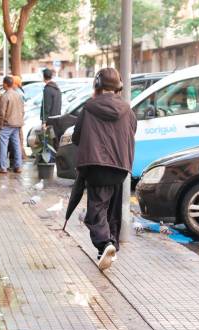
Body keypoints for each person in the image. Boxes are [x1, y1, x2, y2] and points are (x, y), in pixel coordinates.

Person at [71, 68, 136, 271]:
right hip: (120, 167)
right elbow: (133, 129)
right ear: (118, 87)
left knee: (96, 209)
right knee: (112, 208)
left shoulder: (90, 107)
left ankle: (104, 243)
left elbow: (76, 136)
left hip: (96, 165)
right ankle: (109, 247)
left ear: (97, 85)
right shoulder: (127, 108)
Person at [0, 74, 23, 171]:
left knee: (3, 145)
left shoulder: (5, 96)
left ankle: (3, 167)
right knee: (16, 145)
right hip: (17, 124)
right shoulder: (18, 95)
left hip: (7, 124)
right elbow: (22, 110)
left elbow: (1, 113)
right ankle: (18, 166)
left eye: (3, 83)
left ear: (5, 84)